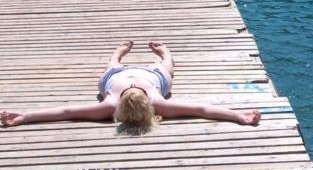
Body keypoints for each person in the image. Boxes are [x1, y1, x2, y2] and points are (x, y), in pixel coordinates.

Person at [1, 41, 261, 135]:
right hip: (145, 76)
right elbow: (203, 109)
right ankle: (162, 52)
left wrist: (25, 117)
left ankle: (122, 52)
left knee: (117, 67)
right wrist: (239, 116)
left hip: (128, 76)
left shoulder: (110, 106)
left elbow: (66, 111)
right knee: (165, 68)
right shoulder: (156, 103)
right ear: (148, 107)